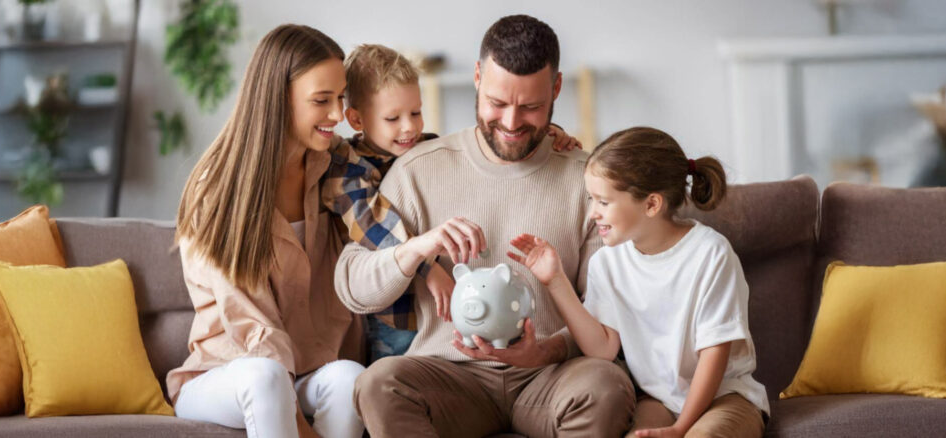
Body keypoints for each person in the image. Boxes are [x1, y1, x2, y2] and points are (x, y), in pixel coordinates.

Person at [335, 15, 635, 438]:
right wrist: (417, 249)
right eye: (497, 103)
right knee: (378, 384)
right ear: (477, 77)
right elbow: (353, 287)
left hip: (552, 375)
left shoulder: (587, 180)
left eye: (530, 107)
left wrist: (545, 350)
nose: (511, 123)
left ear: (556, 89)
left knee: (606, 386)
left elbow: (607, 313)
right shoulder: (416, 168)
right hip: (448, 376)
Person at [166, 24, 365, 438]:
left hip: (308, 369)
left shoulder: (334, 166)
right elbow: (248, 320)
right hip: (226, 373)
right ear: (279, 97)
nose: (337, 115)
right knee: (265, 376)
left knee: (350, 378)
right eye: (321, 100)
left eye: (341, 98)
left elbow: (392, 176)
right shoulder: (218, 187)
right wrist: (301, 428)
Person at [508, 126, 769, 438]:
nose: (592, 213)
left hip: (724, 397)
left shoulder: (710, 254)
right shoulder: (607, 263)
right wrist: (555, 281)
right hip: (660, 400)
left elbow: (715, 355)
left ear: (651, 204)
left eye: (603, 202)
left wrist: (680, 429)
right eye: (591, 199)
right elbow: (603, 349)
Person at [324, 43, 580, 361]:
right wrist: (428, 269)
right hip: (393, 312)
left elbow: (480, 142)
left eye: (416, 113)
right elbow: (375, 228)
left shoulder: (426, 150)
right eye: (393, 118)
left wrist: (547, 134)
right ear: (356, 119)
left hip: (434, 312)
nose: (409, 127)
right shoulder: (349, 172)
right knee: (394, 368)